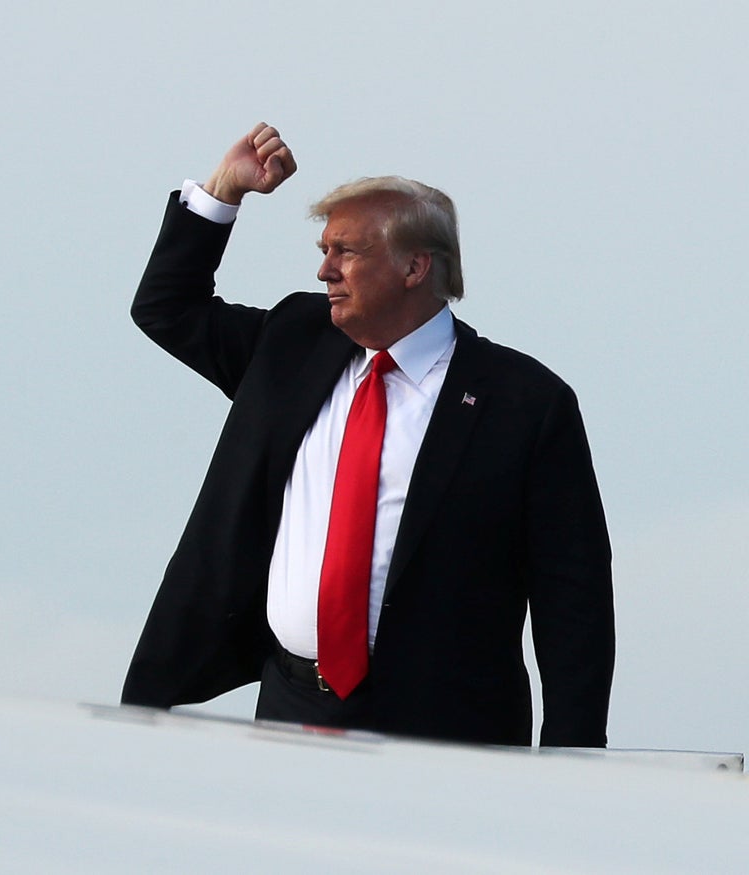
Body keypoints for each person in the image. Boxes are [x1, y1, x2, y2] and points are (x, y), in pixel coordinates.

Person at [122, 123, 614, 747]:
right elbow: (165, 307)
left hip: (449, 727)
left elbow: (574, 598)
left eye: (345, 252)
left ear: (415, 266)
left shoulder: (526, 403)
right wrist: (224, 192)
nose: (325, 270)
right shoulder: (293, 343)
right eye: (324, 250)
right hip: (292, 707)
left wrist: (574, 754)